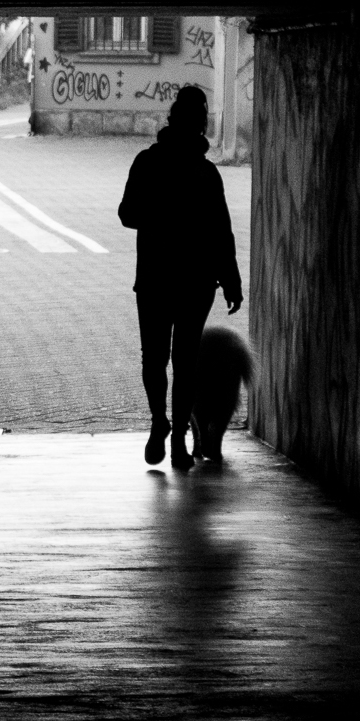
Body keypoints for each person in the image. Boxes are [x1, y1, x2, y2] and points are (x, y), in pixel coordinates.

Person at [118, 86, 243, 469]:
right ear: (200, 126)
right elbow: (221, 232)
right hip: (196, 281)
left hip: (154, 277)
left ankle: (160, 421)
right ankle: (178, 444)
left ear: (171, 120)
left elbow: (126, 213)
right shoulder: (206, 173)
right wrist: (231, 280)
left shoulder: (147, 162)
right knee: (185, 362)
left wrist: (159, 218)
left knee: (154, 358)